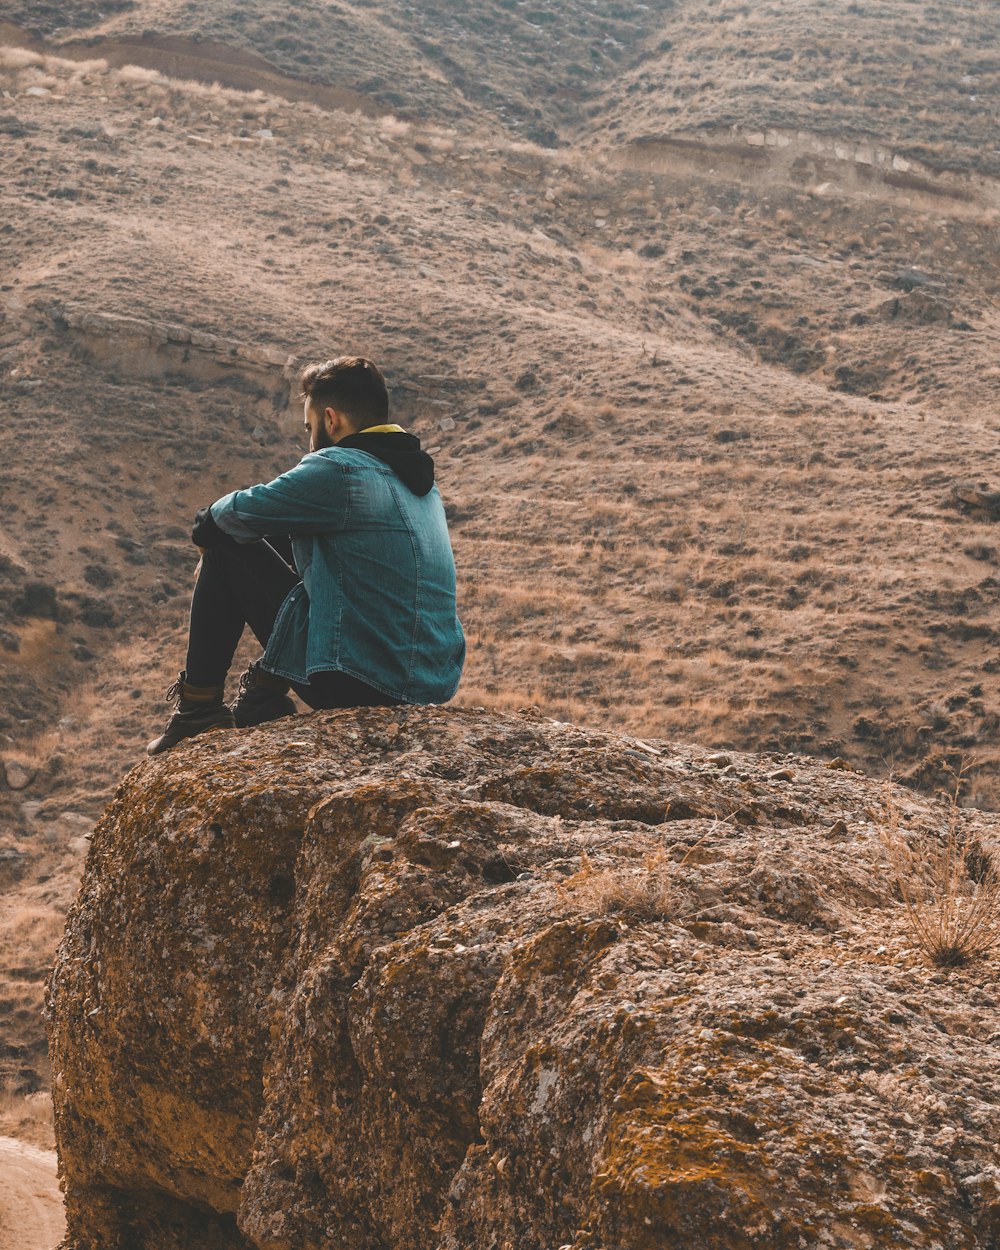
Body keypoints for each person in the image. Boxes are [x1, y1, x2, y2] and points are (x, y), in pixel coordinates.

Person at [147, 356, 465, 755]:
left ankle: (198, 710)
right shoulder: (418, 481)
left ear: (331, 420)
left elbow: (216, 520)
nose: (309, 438)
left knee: (226, 551)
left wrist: (212, 543)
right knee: (293, 538)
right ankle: (265, 692)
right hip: (430, 684)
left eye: (309, 427)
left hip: (356, 682)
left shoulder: (339, 470)